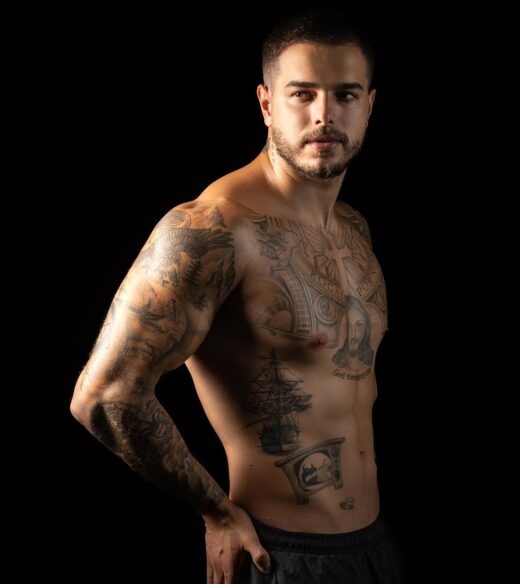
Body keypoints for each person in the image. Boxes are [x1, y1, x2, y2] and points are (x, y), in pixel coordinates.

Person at [71, 9, 404, 583]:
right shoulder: (213, 228)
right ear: (266, 103)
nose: (324, 114)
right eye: (302, 94)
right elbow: (104, 396)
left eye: (345, 94)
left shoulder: (353, 229)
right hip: (282, 556)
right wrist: (216, 511)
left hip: (373, 547)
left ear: (369, 105)